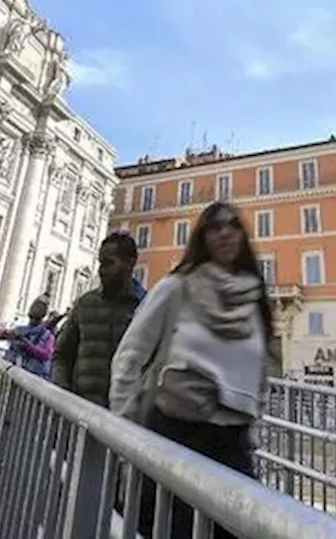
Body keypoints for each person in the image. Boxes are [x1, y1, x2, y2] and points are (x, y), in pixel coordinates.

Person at [110, 202, 272, 539]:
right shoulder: (177, 287)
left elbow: (259, 374)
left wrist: (252, 433)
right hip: (173, 437)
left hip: (233, 446)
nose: (225, 231)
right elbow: (130, 356)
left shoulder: (252, 299)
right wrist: (125, 433)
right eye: (215, 226)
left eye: (233, 225)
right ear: (202, 236)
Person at [52, 231, 145, 407]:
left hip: (125, 418)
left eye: (109, 263)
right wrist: (61, 390)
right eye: (100, 263)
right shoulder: (84, 304)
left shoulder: (146, 308)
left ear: (130, 263)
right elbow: (62, 355)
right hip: (80, 409)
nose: (101, 271)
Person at [0, 296, 60, 379]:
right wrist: (5, 334)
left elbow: (46, 354)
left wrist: (28, 346)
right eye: (31, 317)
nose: (32, 320)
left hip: (33, 376)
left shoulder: (47, 335)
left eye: (36, 318)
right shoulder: (20, 330)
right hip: (14, 372)